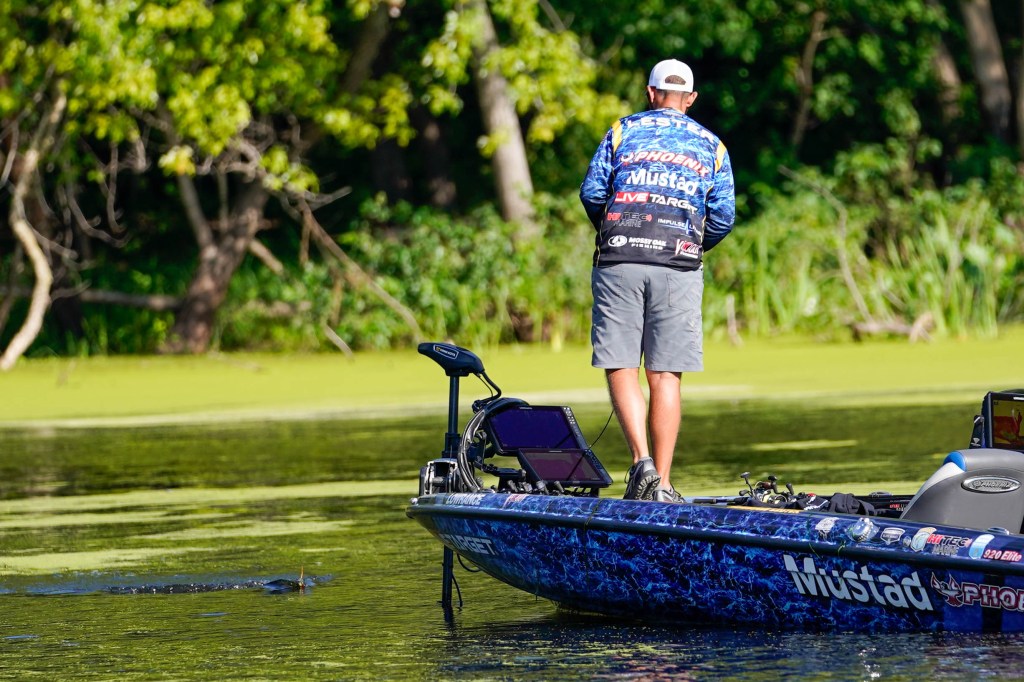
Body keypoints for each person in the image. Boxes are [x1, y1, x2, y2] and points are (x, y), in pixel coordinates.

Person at [579, 59, 736, 503]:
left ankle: (640, 462)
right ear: (691, 98)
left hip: (620, 257)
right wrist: (690, 244)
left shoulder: (621, 132)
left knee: (621, 364)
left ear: (650, 93)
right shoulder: (713, 145)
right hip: (679, 263)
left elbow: (592, 192)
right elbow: (723, 215)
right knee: (665, 375)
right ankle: (662, 485)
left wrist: (615, 230)